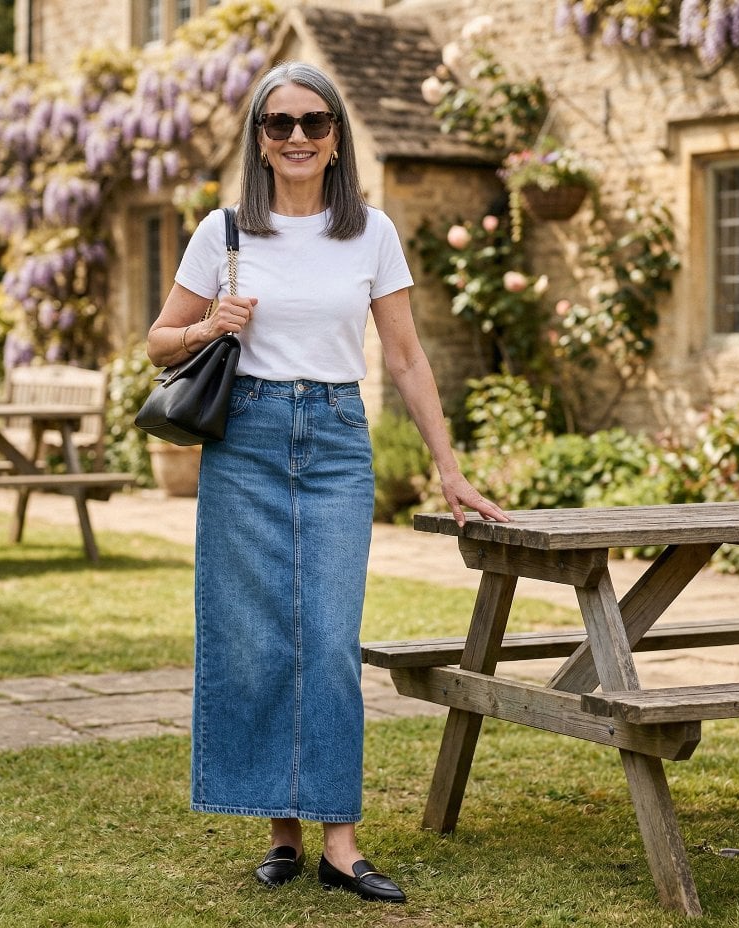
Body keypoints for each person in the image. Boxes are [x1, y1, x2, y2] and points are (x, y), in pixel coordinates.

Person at [146, 61, 510, 905]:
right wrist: (211, 323)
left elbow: (408, 358)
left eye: (314, 122)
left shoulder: (371, 232)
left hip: (339, 439)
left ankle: (340, 843)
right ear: (260, 141)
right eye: (280, 125)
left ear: (338, 137)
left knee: (329, 638)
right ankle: (282, 832)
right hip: (247, 437)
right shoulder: (225, 231)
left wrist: (448, 470)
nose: (298, 136)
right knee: (254, 635)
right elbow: (161, 343)